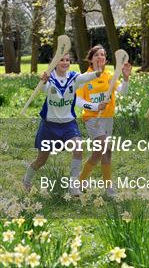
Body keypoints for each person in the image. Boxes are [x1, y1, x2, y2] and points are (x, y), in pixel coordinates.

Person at [23, 52, 102, 195]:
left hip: (68, 125)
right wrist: (44, 81)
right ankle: (26, 181)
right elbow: (44, 89)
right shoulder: (49, 78)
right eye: (61, 60)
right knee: (41, 160)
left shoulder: (74, 78)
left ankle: (73, 185)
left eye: (67, 60)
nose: (65, 63)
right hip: (49, 126)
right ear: (54, 62)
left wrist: (98, 70)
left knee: (78, 148)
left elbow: (87, 76)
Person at [76, 45, 131, 197]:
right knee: (105, 148)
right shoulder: (84, 78)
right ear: (91, 59)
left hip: (108, 119)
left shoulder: (109, 75)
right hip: (92, 119)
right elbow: (78, 101)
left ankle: (81, 181)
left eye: (103, 55)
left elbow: (123, 92)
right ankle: (108, 188)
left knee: (100, 153)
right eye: (97, 55)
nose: (100, 57)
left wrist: (126, 78)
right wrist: (95, 106)